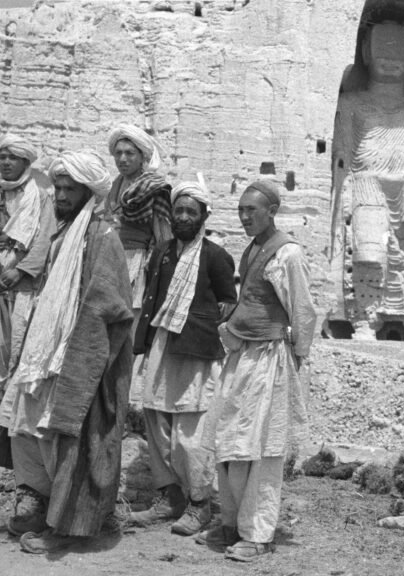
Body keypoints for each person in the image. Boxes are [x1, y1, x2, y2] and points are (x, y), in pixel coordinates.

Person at [0, 150, 134, 554]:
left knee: (69, 442)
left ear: (88, 192)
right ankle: (42, 508)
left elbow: (109, 304)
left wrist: (83, 352)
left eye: (68, 188)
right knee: (28, 430)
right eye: (57, 187)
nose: (59, 195)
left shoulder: (102, 235)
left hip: (80, 355)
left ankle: (68, 525)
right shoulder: (64, 232)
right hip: (47, 352)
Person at [198, 180, 317, 562]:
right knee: (232, 441)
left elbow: (303, 310)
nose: (246, 217)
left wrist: (297, 357)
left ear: (272, 211)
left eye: (252, 210)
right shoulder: (251, 250)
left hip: (270, 359)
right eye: (241, 211)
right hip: (242, 356)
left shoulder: (289, 254)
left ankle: (258, 533)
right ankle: (231, 524)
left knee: (263, 448)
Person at [329, 20, 404, 334]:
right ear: (365, 52)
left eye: (398, 48)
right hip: (367, 182)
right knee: (367, 254)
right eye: (381, 46)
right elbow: (341, 158)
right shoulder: (350, 103)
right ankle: (364, 322)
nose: (389, 56)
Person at [128, 177, 237, 536]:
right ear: (172, 214)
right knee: (156, 422)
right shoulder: (161, 252)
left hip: (195, 351)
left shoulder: (216, 256)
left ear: (204, 215)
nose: (185, 216)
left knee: (191, 432)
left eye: (192, 211)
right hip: (161, 345)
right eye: (180, 210)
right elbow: (150, 299)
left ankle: (199, 504)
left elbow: (227, 303)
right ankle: (168, 497)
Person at [0, 134, 57, 401]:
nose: (6, 162)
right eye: (2, 157)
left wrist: (20, 270)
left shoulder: (40, 198)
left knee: (16, 341)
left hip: (22, 282)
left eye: (12, 158)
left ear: (25, 161)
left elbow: (44, 240)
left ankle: (8, 405)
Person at [105, 124, 173, 332]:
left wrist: (153, 269)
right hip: (110, 260)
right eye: (118, 153)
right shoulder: (114, 186)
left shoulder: (153, 188)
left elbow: (163, 235)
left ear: (142, 155)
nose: (123, 159)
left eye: (129, 153)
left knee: (130, 326)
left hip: (137, 263)